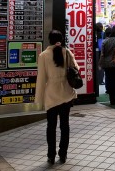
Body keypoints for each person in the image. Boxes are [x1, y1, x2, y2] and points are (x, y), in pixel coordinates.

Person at [34, 30, 77, 165]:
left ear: (49, 40)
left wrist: (38, 101)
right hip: (66, 94)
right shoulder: (67, 52)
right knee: (65, 126)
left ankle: (51, 156)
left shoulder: (43, 55)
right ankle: (63, 155)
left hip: (51, 96)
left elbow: (41, 80)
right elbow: (76, 69)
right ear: (62, 39)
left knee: (51, 127)